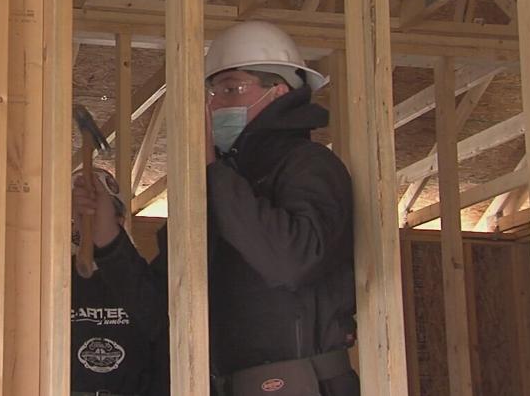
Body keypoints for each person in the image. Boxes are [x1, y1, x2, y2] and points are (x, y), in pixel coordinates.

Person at [96, 21, 359, 396]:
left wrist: (213, 172)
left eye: (231, 89)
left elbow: (291, 260)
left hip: (302, 386)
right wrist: (107, 237)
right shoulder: (217, 186)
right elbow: (160, 309)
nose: (215, 105)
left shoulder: (309, 167)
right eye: (212, 92)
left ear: (278, 92)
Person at [70, 167, 166, 396]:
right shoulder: (51, 284)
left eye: (94, 215)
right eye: (76, 217)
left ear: (120, 220)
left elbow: (160, 326)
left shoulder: (143, 281)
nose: (84, 224)